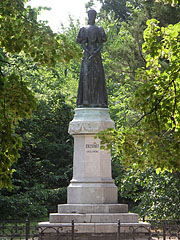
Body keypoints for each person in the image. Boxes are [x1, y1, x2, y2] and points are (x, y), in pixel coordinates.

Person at [76, 9, 108, 108]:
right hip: (87, 56)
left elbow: (101, 43)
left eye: (93, 15)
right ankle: (85, 100)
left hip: (96, 56)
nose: (91, 17)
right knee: (86, 77)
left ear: (95, 16)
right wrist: (89, 52)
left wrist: (96, 52)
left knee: (97, 77)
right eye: (90, 15)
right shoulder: (83, 29)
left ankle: (99, 101)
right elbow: (82, 43)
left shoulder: (99, 29)